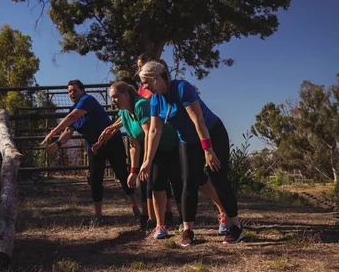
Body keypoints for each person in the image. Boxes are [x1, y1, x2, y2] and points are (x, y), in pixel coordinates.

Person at [138, 61, 243, 247]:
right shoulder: (155, 100)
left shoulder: (182, 88)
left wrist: (208, 150)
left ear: (155, 78)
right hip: (187, 140)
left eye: (145, 82)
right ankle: (188, 230)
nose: (143, 87)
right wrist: (147, 161)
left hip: (212, 134)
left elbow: (198, 120)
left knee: (218, 179)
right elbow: (154, 132)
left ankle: (235, 226)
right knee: (188, 182)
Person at [42, 79, 140, 224]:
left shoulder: (87, 100)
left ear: (82, 91)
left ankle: (135, 207)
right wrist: (58, 143)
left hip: (112, 141)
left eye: (75, 90)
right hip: (94, 146)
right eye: (69, 91)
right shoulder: (72, 111)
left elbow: (73, 117)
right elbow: (69, 130)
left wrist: (54, 131)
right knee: (95, 179)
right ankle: (98, 214)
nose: (72, 94)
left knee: (121, 173)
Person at [104, 81, 183, 238]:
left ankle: (184, 220)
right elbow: (134, 145)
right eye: (111, 98)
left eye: (115, 96)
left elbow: (149, 134)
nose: (113, 100)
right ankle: (160, 226)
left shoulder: (141, 105)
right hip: (155, 150)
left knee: (177, 181)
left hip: (171, 145)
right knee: (156, 183)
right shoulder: (125, 114)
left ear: (126, 94)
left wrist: (146, 161)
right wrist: (133, 171)